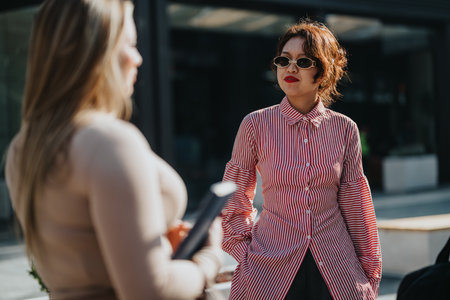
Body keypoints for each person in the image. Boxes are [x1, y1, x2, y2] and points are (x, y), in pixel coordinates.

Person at [5, 0, 222, 299]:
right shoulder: (108, 143)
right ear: (94, 52)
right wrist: (208, 259)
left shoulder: (22, 148)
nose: (138, 58)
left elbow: (88, 252)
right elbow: (149, 290)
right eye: (130, 43)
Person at [221, 19, 382, 300]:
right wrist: (245, 253)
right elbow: (234, 195)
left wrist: (369, 270)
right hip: (269, 266)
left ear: (322, 72)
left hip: (336, 265)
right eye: (284, 60)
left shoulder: (345, 129)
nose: (290, 68)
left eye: (303, 61)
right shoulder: (255, 125)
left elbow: (356, 205)